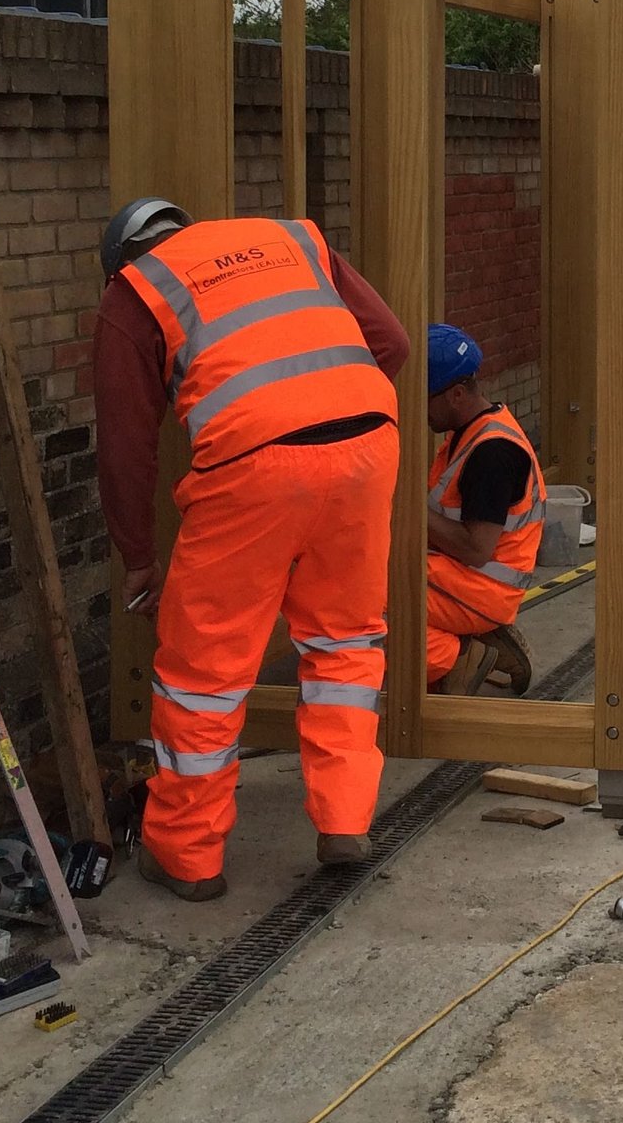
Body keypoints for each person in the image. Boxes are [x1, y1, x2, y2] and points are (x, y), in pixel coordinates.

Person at [93, 200, 410, 902]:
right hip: (367, 441)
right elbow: (390, 341)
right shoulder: (289, 237)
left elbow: (124, 444)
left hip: (254, 464)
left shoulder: (134, 289)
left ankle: (186, 853)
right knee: (346, 641)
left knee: (202, 670)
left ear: (123, 257)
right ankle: (345, 821)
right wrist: (324, 409)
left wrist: (138, 557)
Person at [420, 323, 543, 698]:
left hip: (481, 587)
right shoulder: (471, 430)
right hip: (463, 578)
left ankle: (457, 658)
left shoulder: (492, 453)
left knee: (359, 601)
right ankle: (473, 637)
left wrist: (402, 509)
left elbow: (476, 549)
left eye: (423, 396)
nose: (416, 407)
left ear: (456, 394)